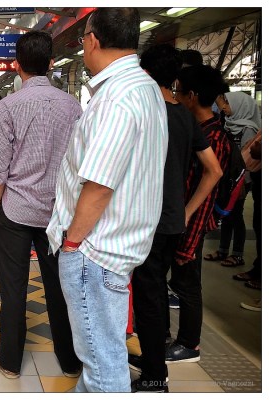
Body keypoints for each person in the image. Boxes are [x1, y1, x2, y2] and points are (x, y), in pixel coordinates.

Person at [45, 8, 168, 392]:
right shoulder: (145, 88)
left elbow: (99, 185)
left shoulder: (117, 97)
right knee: (100, 357)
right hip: (114, 247)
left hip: (94, 252)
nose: (82, 46)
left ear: (93, 40)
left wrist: (72, 243)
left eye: (83, 38)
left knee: (103, 368)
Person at [0, 30, 82, 380]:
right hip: (58, 213)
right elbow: (78, 162)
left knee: (13, 288)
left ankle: (10, 361)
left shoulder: (7, 107)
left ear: (17, 65)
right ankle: (70, 361)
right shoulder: (73, 106)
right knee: (60, 287)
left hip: (15, 210)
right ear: (52, 63)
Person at [131, 44, 223, 393]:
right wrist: (186, 210)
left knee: (148, 298)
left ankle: (155, 376)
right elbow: (213, 170)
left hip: (146, 221)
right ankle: (152, 357)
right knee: (154, 293)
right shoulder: (184, 115)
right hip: (171, 221)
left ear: (144, 72)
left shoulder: (146, 112)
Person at [166, 64, 232, 365]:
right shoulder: (198, 128)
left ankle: (189, 344)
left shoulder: (214, 137)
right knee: (181, 280)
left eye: (178, 91)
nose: (176, 97)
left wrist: (188, 228)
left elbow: (207, 191)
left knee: (188, 284)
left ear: (192, 96)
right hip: (183, 220)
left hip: (192, 221)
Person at [204, 91, 261, 267]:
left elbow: (248, 160)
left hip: (240, 180)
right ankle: (223, 250)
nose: (224, 107)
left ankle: (237, 254)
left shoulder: (248, 129)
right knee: (226, 214)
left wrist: (242, 182)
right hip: (228, 177)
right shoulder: (228, 123)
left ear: (240, 106)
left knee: (236, 215)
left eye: (227, 103)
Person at [234, 130, 262, 291]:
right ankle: (258, 269)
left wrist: (257, 147)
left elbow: (256, 149)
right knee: (259, 227)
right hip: (259, 180)